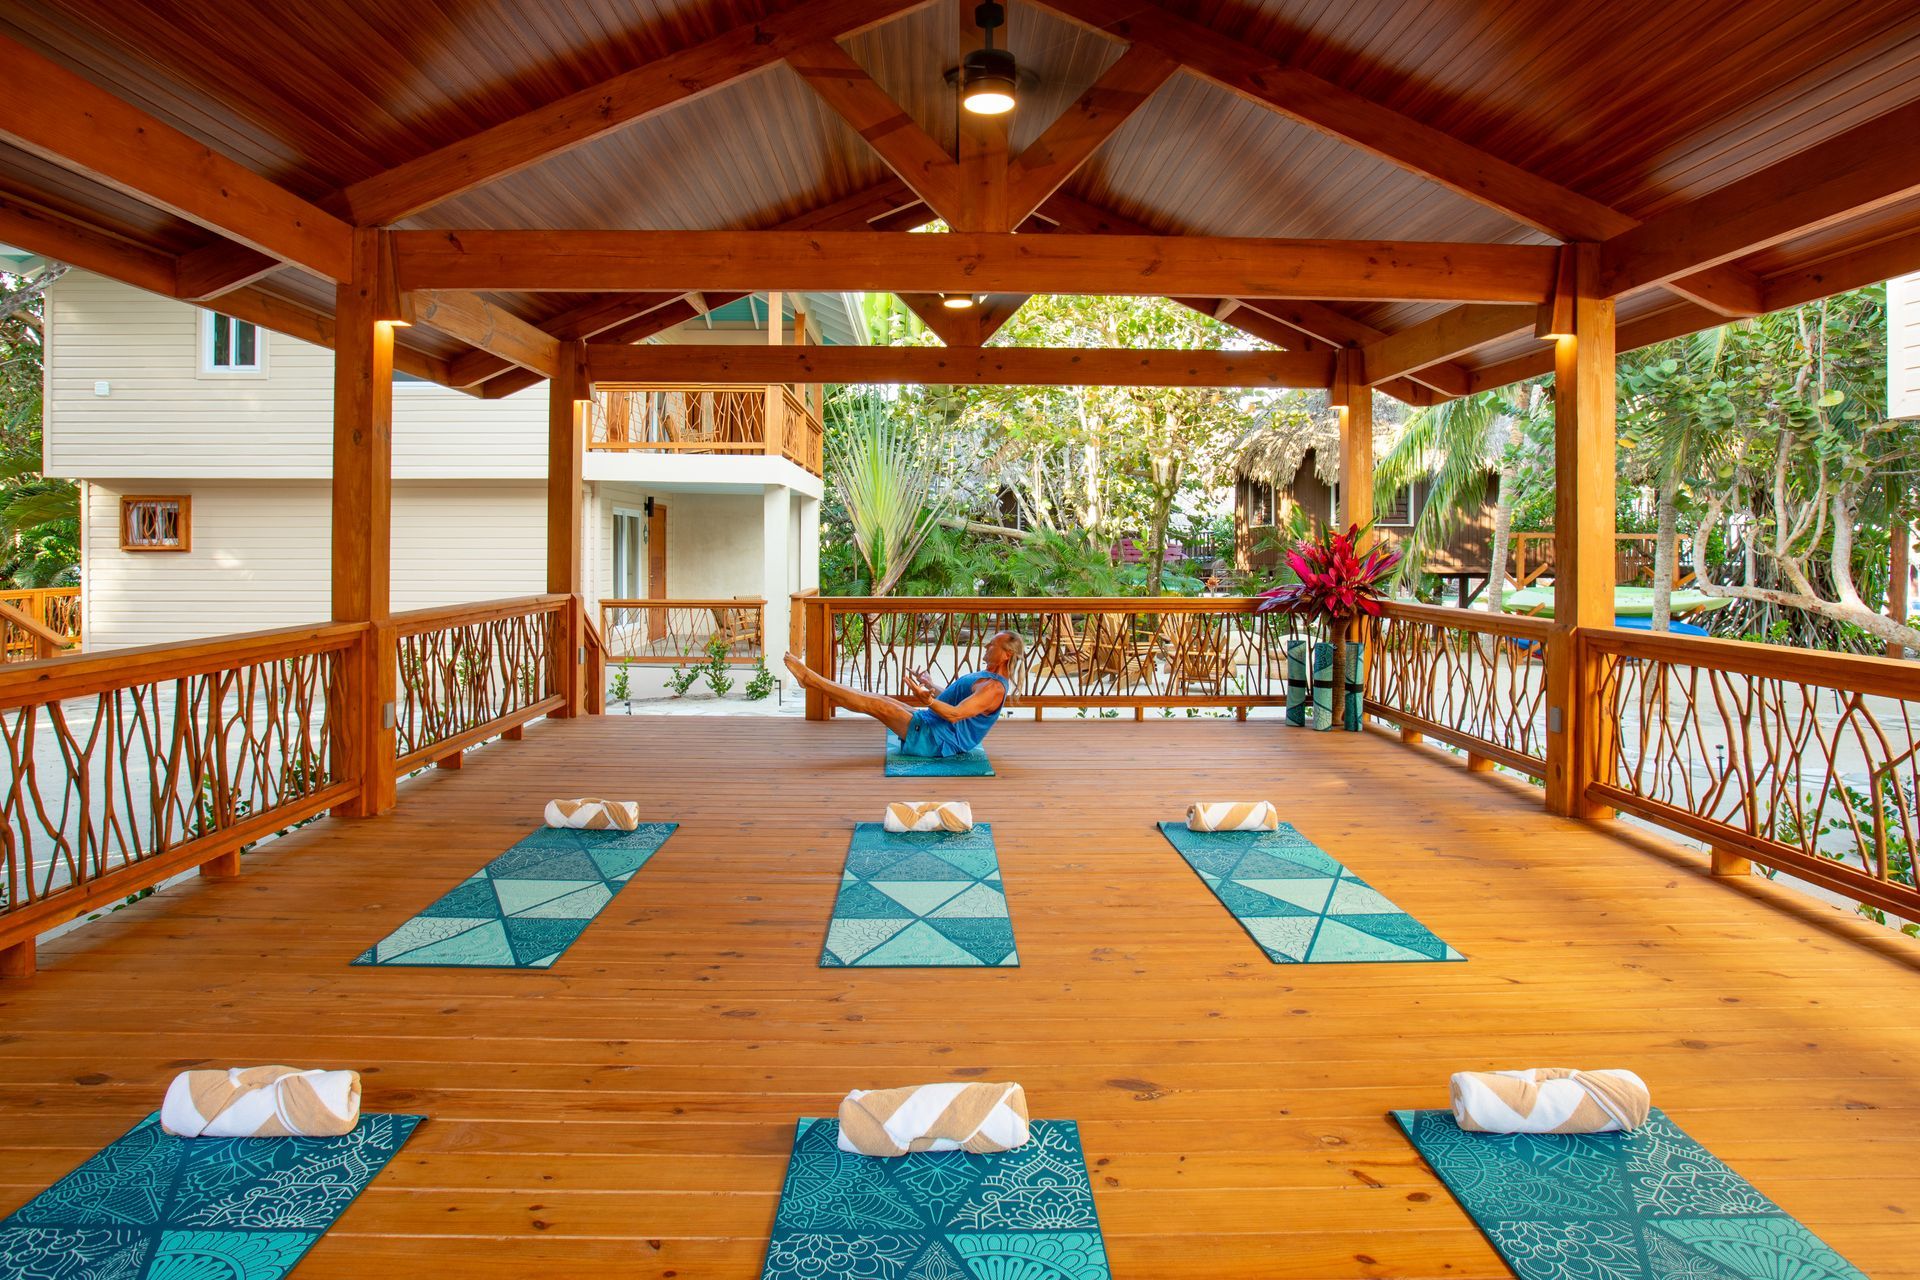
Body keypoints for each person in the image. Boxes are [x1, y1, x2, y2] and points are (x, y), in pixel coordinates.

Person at [784, 631, 1024, 758]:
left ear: (1006, 655)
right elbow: (955, 700)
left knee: (876, 705)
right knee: (880, 699)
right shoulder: (987, 678)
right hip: (934, 724)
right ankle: (813, 682)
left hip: (938, 740)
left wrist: (928, 699)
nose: (986, 646)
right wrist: (930, 684)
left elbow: (955, 714)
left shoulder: (994, 688)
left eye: (992, 645)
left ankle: (810, 680)